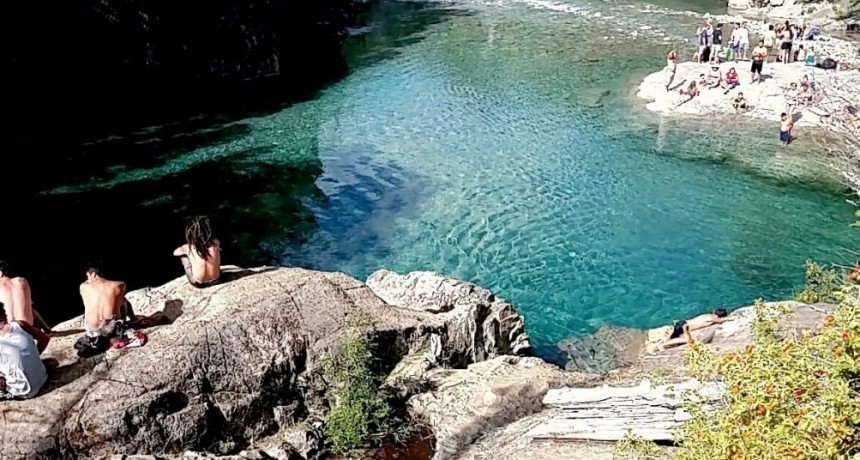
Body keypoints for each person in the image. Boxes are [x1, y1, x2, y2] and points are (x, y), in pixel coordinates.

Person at [0, 301, 50, 399]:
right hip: (43, 378)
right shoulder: (19, 324)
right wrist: (34, 355)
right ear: (4, 313)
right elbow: (45, 338)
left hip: (23, 391)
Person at [79, 265, 135, 342]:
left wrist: (89, 281)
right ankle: (133, 319)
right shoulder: (119, 285)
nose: (87, 279)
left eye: (88, 276)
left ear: (93, 274)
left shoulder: (83, 287)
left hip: (91, 330)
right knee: (122, 299)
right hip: (110, 329)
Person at [0, 261, 51, 334]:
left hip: (8, 329)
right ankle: (47, 329)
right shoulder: (22, 281)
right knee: (31, 309)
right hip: (28, 327)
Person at [173, 217, 222, 288]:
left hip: (198, 283)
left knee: (183, 257)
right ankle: (214, 271)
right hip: (216, 280)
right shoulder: (216, 242)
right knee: (216, 251)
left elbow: (175, 253)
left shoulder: (188, 248)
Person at [657, 308, 730, 350]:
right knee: (687, 340)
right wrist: (730, 318)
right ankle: (662, 345)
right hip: (684, 326)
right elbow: (720, 321)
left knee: (675, 340)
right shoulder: (712, 318)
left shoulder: (708, 316)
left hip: (682, 323)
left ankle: (666, 345)